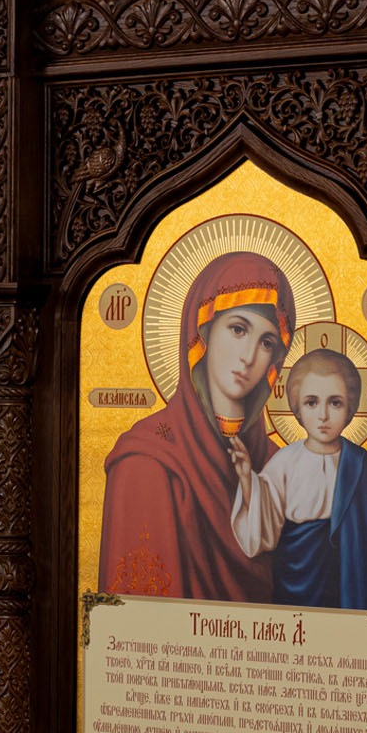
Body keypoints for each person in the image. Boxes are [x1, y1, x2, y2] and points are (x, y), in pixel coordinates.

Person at [96, 249, 294, 603]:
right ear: (201, 332)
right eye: (238, 329)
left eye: (266, 342)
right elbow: (137, 620)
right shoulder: (147, 460)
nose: (249, 356)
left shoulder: (280, 465)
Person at [228, 348, 367, 612]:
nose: (323, 415)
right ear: (296, 407)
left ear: (351, 407)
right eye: (311, 402)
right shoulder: (285, 462)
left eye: (335, 403)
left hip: (347, 589)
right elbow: (263, 530)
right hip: (292, 586)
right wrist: (246, 479)